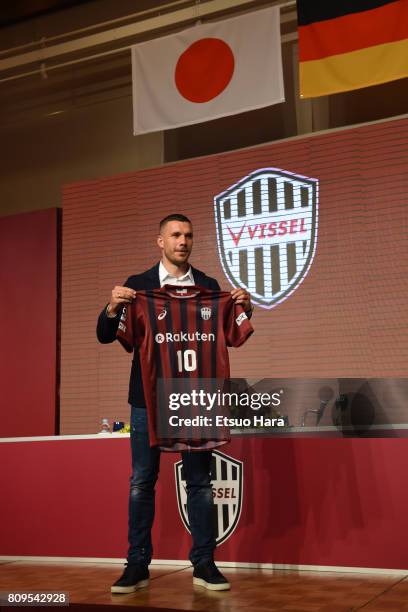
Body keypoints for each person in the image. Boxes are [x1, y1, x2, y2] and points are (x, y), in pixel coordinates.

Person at [97, 213, 253, 593]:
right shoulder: (139, 287)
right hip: (147, 400)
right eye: (175, 235)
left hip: (195, 398)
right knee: (141, 481)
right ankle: (137, 565)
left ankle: (204, 563)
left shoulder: (209, 287)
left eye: (188, 235)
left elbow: (236, 335)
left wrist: (246, 305)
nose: (183, 241)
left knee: (200, 482)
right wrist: (112, 307)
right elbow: (106, 335)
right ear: (160, 242)